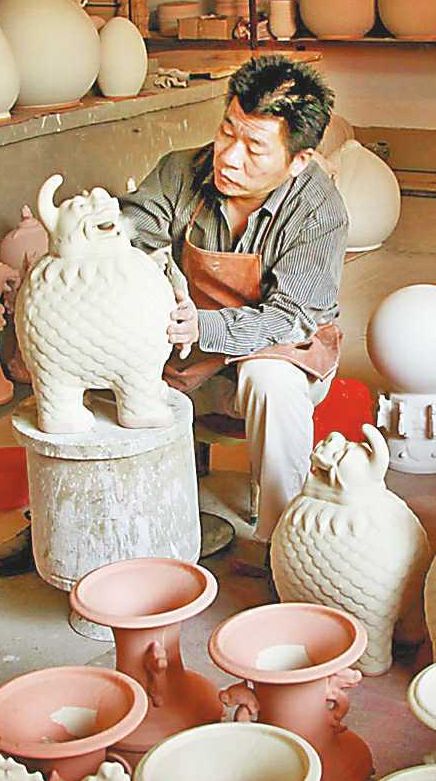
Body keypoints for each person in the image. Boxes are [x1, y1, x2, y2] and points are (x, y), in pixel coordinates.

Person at [120, 55, 347, 571]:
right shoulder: (182, 172)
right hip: (189, 349)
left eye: (254, 148)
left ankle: (281, 545)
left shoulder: (318, 210)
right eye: (227, 132)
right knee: (101, 354)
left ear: (298, 160)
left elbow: (290, 317)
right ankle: (84, 512)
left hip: (280, 351)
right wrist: (98, 238)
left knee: (269, 379)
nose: (229, 157)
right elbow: (129, 235)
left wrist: (204, 327)